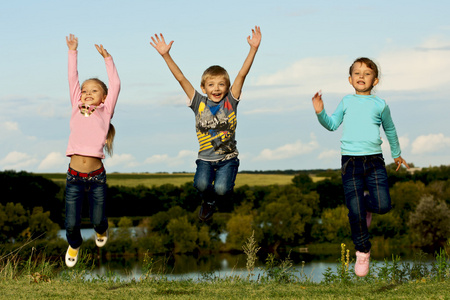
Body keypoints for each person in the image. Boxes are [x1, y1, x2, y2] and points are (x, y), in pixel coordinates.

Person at [150, 26, 262, 222]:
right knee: (201, 185)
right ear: (203, 87)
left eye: (221, 84)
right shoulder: (198, 103)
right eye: (211, 84)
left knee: (221, 189)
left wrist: (253, 49)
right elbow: (180, 78)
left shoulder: (230, 102)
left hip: (228, 159)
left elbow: (241, 75)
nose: (216, 88)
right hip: (205, 159)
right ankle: (208, 202)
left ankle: (220, 194)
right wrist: (166, 56)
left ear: (227, 88)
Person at [311, 57, 409, 277]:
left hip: (374, 162)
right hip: (350, 163)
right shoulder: (346, 101)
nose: (361, 76)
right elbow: (332, 124)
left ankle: (365, 203)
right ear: (350, 79)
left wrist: (397, 154)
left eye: (367, 73)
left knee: (383, 205)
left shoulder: (380, 104)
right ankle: (363, 251)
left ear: (375, 80)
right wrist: (320, 113)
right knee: (354, 213)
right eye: (357, 73)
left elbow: (390, 130)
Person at [64, 34, 121, 267]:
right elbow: (72, 78)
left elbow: (116, 84)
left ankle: (101, 230)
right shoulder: (76, 107)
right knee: (70, 223)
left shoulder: (105, 112)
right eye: (85, 90)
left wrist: (108, 58)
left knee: (98, 219)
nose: (87, 93)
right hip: (74, 176)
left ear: (104, 98)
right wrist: (72, 52)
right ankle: (74, 244)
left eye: (94, 91)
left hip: (96, 178)